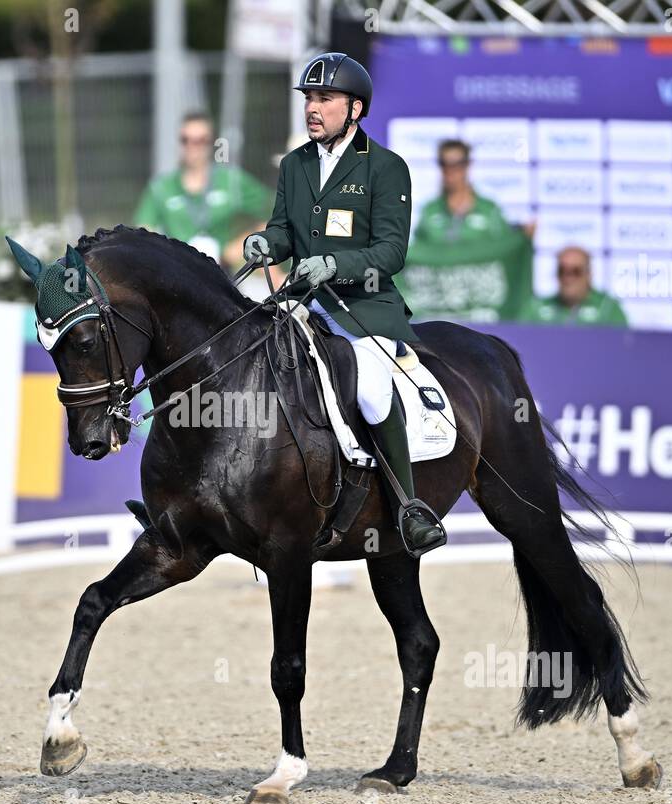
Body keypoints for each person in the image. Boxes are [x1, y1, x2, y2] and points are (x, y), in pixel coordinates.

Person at [243, 52, 446, 555]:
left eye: (324, 99)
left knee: (374, 390)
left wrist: (335, 265)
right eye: (309, 98)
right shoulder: (295, 164)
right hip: (303, 301)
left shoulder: (385, 168)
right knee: (241, 359)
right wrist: (266, 242)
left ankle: (408, 507)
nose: (312, 107)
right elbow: (286, 231)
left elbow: (392, 252)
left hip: (364, 308)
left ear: (354, 109)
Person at [133, 111, 272, 270]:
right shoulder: (161, 188)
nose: (193, 147)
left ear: (211, 142)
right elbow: (143, 230)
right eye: (186, 140)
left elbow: (275, 213)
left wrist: (239, 247)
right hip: (178, 274)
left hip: (223, 275)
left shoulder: (231, 181)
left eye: (200, 140)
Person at [413, 139, 534, 246]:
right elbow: (418, 255)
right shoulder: (429, 211)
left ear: (468, 165)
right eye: (444, 164)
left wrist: (523, 239)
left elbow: (506, 249)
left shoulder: (489, 210)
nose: (450, 170)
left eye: (457, 164)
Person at [519, 246, 627, 327]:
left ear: (588, 274)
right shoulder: (536, 308)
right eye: (562, 271)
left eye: (576, 271)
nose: (568, 278)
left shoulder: (607, 308)